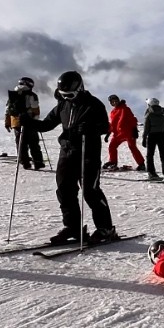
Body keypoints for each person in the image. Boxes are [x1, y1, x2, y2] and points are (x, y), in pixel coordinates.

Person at [35, 71, 115, 243]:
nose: (67, 98)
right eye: (63, 95)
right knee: (65, 190)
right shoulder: (62, 106)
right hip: (67, 152)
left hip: (88, 152)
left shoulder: (93, 105)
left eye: (70, 95)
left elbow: (104, 127)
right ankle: (73, 228)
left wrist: (90, 128)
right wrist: (28, 123)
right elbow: (47, 124)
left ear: (80, 89)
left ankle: (106, 229)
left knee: (90, 191)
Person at [5, 77, 44, 170]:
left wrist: (7, 122)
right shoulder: (31, 95)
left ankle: (24, 162)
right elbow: (35, 109)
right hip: (29, 122)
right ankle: (38, 162)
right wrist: (35, 121)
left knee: (21, 143)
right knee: (33, 143)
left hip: (16, 122)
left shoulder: (13, 95)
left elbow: (7, 110)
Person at [104, 96, 144, 170]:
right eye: (112, 102)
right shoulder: (113, 112)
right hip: (118, 134)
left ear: (118, 100)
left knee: (132, 147)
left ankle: (141, 164)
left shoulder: (125, 109)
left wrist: (134, 129)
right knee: (112, 146)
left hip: (128, 132)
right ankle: (113, 162)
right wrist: (108, 134)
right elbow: (113, 124)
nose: (114, 102)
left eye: (116, 101)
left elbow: (132, 119)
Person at [142, 97, 164, 181]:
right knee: (163, 155)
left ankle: (152, 174)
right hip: (162, 135)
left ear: (149, 104)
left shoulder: (149, 113)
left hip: (152, 135)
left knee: (150, 155)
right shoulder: (163, 113)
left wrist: (144, 138)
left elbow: (146, 127)